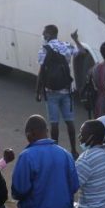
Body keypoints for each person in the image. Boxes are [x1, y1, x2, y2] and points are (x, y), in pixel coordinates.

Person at [35, 24, 81, 158]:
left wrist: (37, 91)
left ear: (48, 34)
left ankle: (55, 151)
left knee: (54, 123)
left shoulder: (44, 50)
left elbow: (41, 71)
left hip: (51, 91)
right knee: (69, 122)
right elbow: (81, 51)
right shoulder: (66, 46)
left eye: (44, 33)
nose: (43, 35)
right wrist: (76, 39)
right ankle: (73, 150)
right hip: (66, 91)